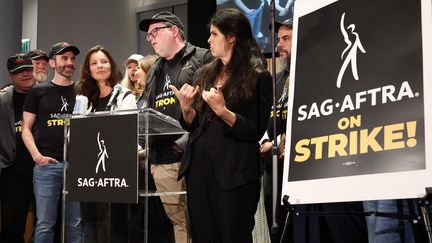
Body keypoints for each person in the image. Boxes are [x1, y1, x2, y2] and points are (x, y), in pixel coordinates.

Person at [170, 8, 273, 242]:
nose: (208, 40)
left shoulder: (258, 76)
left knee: (232, 234)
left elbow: (255, 129)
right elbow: (195, 125)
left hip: (234, 173)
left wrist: (224, 111)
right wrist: (186, 109)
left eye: (214, 34)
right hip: (199, 170)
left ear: (232, 37)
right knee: (202, 235)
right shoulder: (204, 73)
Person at [138, 11, 212, 243]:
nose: (151, 38)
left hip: (195, 156)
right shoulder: (155, 69)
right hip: (162, 160)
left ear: (174, 31)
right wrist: (151, 157)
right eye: (148, 35)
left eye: (155, 32)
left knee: (204, 219)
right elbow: (147, 110)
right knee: (180, 222)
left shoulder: (202, 57)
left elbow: (212, 107)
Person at [21, 42, 83, 243]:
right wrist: (37, 157)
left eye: (72, 59)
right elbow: (26, 129)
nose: (69, 63)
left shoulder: (82, 92)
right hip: (47, 167)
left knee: (76, 225)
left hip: (78, 168)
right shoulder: (38, 92)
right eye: (64, 58)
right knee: (45, 224)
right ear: (52, 63)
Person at [74, 45, 136, 243]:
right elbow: (73, 136)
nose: (99, 66)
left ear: (111, 66)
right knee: (91, 227)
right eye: (94, 63)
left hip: (116, 173)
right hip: (88, 173)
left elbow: (124, 134)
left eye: (104, 61)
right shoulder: (82, 100)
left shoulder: (126, 97)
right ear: (88, 70)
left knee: (114, 229)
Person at [259, 18, 293, 243]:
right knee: (276, 228)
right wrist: (263, 140)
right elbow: (267, 119)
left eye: (286, 38)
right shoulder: (276, 79)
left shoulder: (310, 73)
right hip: (272, 168)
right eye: (278, 39)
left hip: (297, 166)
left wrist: (282, 139)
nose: (279, 44)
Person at [0, 53, 36, 243]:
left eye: (28, 70)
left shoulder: (45, 94)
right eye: (19, 72)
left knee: (46, 223)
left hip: (43, 170)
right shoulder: (3, 100)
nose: (25, 74)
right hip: (12, 172)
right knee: (11, 226)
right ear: (11, 76)